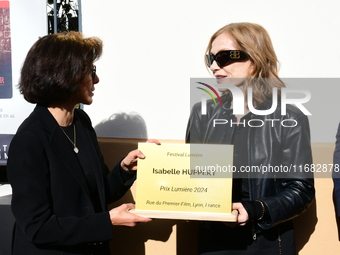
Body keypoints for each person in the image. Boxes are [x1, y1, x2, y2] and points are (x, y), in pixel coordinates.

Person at [7, 31, 153, 255]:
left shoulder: (81, 123)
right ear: (65, 74)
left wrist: (125, 169)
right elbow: (38, 228)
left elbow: (96, 193)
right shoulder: (29, 140)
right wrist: (107, 222)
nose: (96, 79)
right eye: (90, 71)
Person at [186, 22, 315, 255]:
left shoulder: (290, 117)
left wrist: (256, 209)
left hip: (265, 240)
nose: (214, 66)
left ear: (255, 59)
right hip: (214, 241)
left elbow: (300, 188)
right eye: (210, 59)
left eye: (225, 57)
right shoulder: (201, 114)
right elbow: (190, 176)